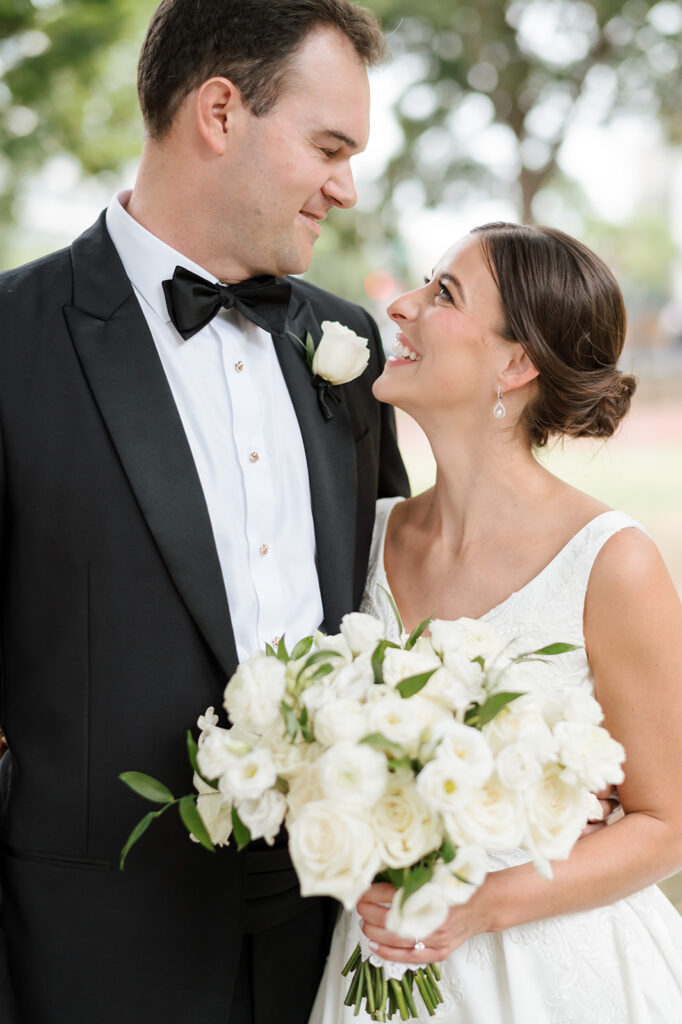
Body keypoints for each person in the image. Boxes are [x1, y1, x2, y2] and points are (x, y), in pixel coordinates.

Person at [0, 2, 409, 1022]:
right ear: (220, 111)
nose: (345, 187)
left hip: (326, 942)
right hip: (83, 955)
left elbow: (389, 602)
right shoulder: (11, 339)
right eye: (328, 146)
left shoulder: (347, 347)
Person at [310, 223, 682, 1023]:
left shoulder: (610, 562)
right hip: (373, 973)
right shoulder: (362, 535)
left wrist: (482, 905)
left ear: (516, 364)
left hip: (554, 978)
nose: (401, 307)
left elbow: (667, 822)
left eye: (443, 293)